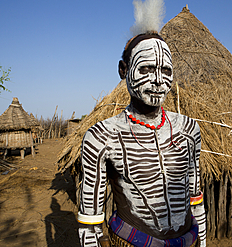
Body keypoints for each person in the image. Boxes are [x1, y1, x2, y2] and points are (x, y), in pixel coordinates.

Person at [77, 31, 206, 247]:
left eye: (166, 70)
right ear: (123, 70)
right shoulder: (101, 137)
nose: (158, 80)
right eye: (146, 69)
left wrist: (201, 243)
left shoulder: (189, 129)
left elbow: (195, 198)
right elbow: (90, 222)